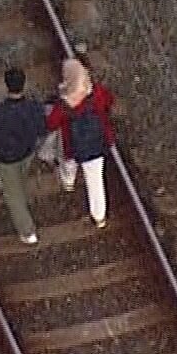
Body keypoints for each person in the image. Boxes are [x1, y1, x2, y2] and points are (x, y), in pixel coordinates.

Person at [0, 66, 47, 245]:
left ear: (6, 85)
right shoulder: (34, 108)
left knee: (13, 197)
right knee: (21, 176)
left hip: (6, 157)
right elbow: (42, 129)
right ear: (24, 85)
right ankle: (16, 188)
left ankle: (27, 231)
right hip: (28, 152)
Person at [46, 58, 115, 228]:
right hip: (97, 144)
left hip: (72, 147)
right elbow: (109, 100)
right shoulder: (96, 93)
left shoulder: (63, 104)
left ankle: (68, 182)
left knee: (68, 162)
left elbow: (51, 123)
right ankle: (99, 217)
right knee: (95, 182)